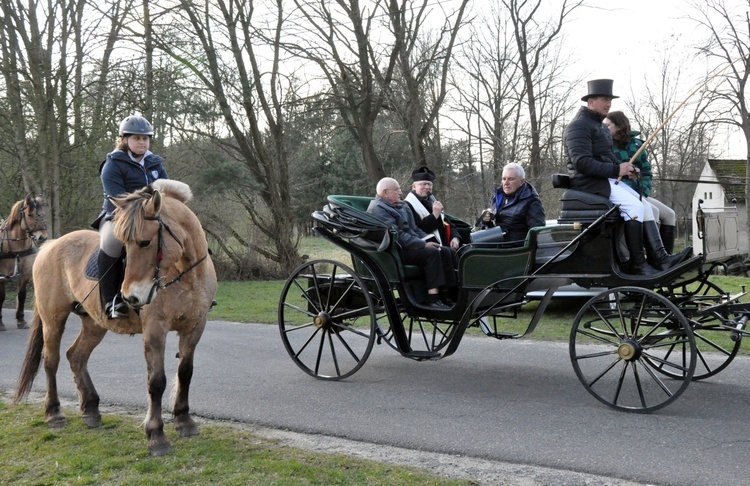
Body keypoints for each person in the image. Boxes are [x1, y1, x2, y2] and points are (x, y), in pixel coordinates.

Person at [563, 79, 685, 276]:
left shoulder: (601, 128)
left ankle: (660, 259)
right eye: (604, 99)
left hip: (605, 180)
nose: (608, 104)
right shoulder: (578, 126)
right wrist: (615, 170)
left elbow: (610, 160)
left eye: (610, 99)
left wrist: (627, 169)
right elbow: (581, 163)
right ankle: (637, 264)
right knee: (635, 207)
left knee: (644, 205)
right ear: (591, 101)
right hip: (587, 184)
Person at [91, 115, 168, 318]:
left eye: (145, 139)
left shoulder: (155, 163)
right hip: (118, 216)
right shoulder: (112, 164)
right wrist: (148, 202)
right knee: (111, 243)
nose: (142, 142)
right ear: (125, 140)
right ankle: (110, 301)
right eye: (137, 138)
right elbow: (118, 198)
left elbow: (165, 190)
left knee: (178, 235)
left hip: (151, 216)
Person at [605, 111, 690, 261]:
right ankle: (653, 259)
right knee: (653, 211)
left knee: (669, 214)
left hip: (638, 192)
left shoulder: (638, 145)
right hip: (621, 192)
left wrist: (643, 191)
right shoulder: (606, 146)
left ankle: (666, 256)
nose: (604, 128)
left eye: (608, 125)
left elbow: (647, 173)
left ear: (618, 126)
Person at [368, 177, 457, 310]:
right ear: (385, 192)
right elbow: (396, 235)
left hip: (411, 244)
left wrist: (428, 239)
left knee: (446, 251)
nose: (401, 193)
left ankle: (448, 294)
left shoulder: (402, 205)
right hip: (397, 250)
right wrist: (422, 244)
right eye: (397, 190)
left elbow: (415, 229)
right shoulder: (378, 209)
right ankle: (433, 298)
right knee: (431, 253)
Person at [404, 166, 462, 250]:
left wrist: (455, 238)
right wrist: (434, 215)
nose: (427, 187)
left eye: (429, 184)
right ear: (414, 186)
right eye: (423, 184)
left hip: (445, 244)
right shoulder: (408, 204)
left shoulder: (432, 200)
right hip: (427, 247)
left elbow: (448, 223)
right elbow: (419, 229)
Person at [488, 162, 546, 245]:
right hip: (495, 242)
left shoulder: (531, 200)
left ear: (522, 181)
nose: (506, 183)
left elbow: (537, 232)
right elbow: (490, 226)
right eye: (504, 179)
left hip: (515, 249)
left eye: (511, 179)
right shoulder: (497, 196)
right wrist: (486, 220)